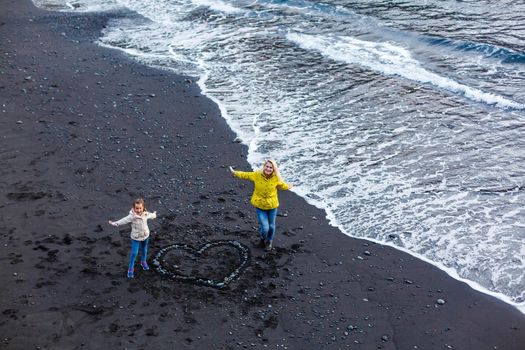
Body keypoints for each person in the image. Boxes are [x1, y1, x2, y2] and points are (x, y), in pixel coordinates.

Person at [230, 159, 293, 251]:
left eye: (271, 167)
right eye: (267, 166)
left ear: (274, 169)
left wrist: (290, 185)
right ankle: (262, 239)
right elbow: (246, 175)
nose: (268, 169)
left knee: (271, 226)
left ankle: (269, 241)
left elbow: (283, 185)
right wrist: (235, 173)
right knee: (265, 228)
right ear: (264, 166)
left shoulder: (276, 178)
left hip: (272, 206)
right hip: (260, 206)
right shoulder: (257, 175)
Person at [108, 198, 157, 278]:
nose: (138, 210)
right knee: (134, 253)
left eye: (140, 208)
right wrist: (115, 223)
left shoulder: (145, 214)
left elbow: (151, 215)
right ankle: (130, 268)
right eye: (136, 208)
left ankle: (143, 261)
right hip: (136, 237)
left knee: (144, 249)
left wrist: (154, 214)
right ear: (134, 208)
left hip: (145, 235)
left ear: (143, 207)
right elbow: (123, 220)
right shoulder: (132, 216)